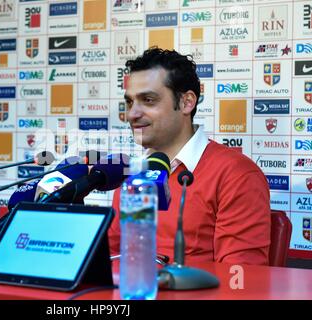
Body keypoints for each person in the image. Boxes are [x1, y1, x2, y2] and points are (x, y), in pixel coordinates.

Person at [108, 47, 271, 265]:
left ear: (187, 103)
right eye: (129, 102)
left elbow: (240, 279)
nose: (132, 114)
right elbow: (109, 259)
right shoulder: (132, 171)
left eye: (148, 100)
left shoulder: (237, 174)